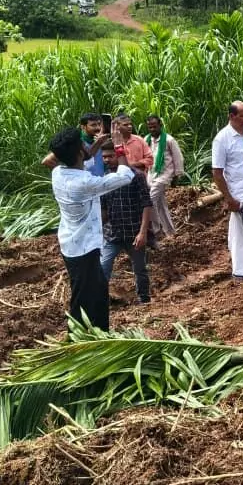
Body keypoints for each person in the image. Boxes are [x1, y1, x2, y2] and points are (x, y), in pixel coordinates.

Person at [49, 127, 136, 330]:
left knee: (98, 293)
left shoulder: (58, 173)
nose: (87, 147)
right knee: (83, 300)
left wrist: (96, 144)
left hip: (72, 244)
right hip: (84, 250)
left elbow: (83, 162)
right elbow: (125, 176)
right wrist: (119, 148)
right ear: (80, 152)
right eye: (84, 145)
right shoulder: (84, 183)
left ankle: (101, 333)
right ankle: (77, 340)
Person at [98, 149, 152, 304]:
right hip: (112, 233)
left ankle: (144, 300)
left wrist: (143, 232)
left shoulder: (136, 176)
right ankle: (101, 300)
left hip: (133, 232)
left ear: (119, 156)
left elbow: (146, 204)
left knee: (140, 269)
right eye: (104, 157)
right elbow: (103, 209)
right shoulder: (104, 179)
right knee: (103, 267)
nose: (107, 160)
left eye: (110, 156)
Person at [212, 102, 243, 279]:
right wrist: (229, 198)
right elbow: (217, 172)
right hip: (239, 194)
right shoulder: (222, 139)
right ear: (231, 116)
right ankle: (242, 271)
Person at [143, 115, 184, 239]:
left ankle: (156, 230)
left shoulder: (169, 140)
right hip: (151, 174)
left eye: (154, 126)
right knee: (160, 204)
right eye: (150, 127)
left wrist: (177, 176)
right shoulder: (147, 139)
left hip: (164, 175)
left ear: (160, 125)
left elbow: (178, 158)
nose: (152, 129)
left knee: (150, 200)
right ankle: (170, 231)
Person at [43, 113, 110, 175]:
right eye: (93, 125)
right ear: (83, 127)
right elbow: (47, 161)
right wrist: (68, 175)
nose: (98, 128)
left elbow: (89, 156)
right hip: (82, 184)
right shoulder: (74, 142)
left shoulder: (101, 140)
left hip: (100, 184)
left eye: (99, 124)